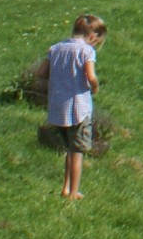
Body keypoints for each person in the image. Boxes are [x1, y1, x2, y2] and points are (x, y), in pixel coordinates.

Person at [44, 15, 105, 199]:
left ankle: (65, 187)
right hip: (79, 108)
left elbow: (40, 72)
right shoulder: (86, 51)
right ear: (93, 35)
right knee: (77, 151)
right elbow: (91, 76)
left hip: (58, 108)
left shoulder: (55, 48)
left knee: (68, 150)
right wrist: (95, 87)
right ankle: (73, 193)